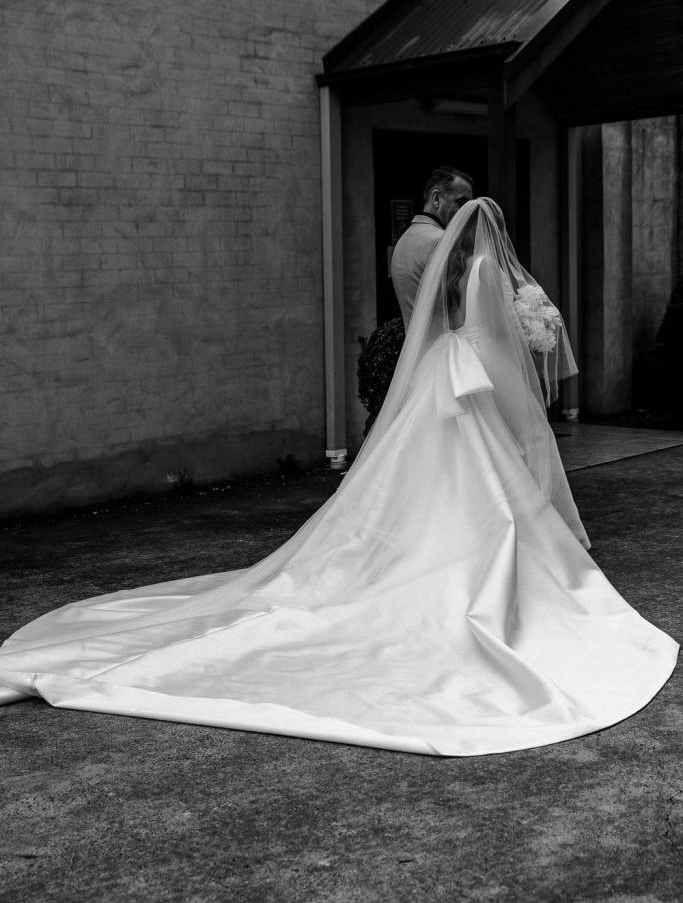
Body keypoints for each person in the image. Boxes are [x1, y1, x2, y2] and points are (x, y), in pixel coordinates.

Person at [0, 199, 677, 756]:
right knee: (481, 481)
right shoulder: (485, 276)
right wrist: (527, 359)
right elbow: (498, 341)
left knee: (425, 471)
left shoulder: (445, 271)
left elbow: (445, 330)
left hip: (444, 373)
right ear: (491, 233)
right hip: (471, 374)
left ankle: (418, 545)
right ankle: (456, 556)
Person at [391, 165, 473, 327]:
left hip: (414, 350)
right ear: (436, 199)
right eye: (461, 203)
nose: (467, 212)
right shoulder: (443, 241)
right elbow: (459, 314)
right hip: (446, 348)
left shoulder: (403, 241)